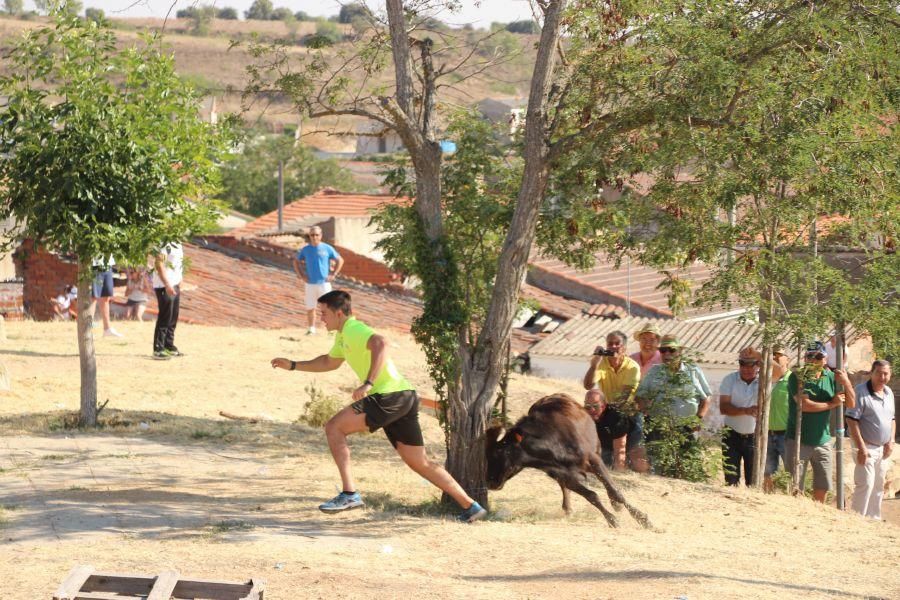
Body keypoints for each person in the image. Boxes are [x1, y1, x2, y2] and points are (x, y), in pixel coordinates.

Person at [270, 289, 487, 523]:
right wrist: (293, 365)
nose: (321, 318)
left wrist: (368, 382)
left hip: (389, 396)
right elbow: (328, 362)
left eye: (324, 313)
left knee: (334, 427)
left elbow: (381, 343)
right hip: (404, 396)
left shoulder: (354, 329)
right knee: (419, 462)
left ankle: (349, 494)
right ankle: (471, 506)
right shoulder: (343, 336)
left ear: (340, 313)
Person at [785, 341, 855, 503]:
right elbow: (804, 406)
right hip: (799, 440)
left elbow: (851, 404)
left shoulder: (832, 378)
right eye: (810, 356)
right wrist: (832, 404)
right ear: (804, 358)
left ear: (825, 359)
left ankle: (817, 512)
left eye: (818, 356)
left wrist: (846, 383)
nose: (813, 360)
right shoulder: (797, 377)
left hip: (823, 441)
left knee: (823, 484)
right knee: (795, 485)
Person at [634, 335, 711, 474]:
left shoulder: (693, 371)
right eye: (663, 350)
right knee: (659, 468)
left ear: (679, 351)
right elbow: (640, 396)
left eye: (671, 350)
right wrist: (646, 411)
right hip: (660, 428)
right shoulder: (654, 371)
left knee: (688, 466)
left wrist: (698, 418)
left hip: (687, 428)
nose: (667, 354)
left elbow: (706, 398)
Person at [582, 330, 646, 471]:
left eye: (617, 344)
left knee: (634, 452)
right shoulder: (602, 364)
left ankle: (625, 470)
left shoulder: (632, 367)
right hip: (608, 411)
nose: (613, 347)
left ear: (624, 348)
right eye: (610, 344)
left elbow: (624, 396)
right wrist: (595, 363)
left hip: (628, 413)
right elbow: (588, 385)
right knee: (606, 450)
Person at [846, 360, 894, 519]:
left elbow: (892, 419)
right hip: (865, 446)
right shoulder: (860, 391)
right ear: (871, 373)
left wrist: (891, 441)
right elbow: (851, 420)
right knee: (865, 483)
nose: (882, 377)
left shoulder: (888, 392)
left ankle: (873, 519)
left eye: (886, 373)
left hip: (883, 448)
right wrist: (861, 448)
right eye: (879, 373)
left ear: (890, 374)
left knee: (878, 485)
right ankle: (857, 519)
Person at [719, 347, 762, 486]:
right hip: (732, 435)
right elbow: (723, 407)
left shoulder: (765, 380)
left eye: (751, 364)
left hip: (755, 437)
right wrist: (745, 410)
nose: (746, 368)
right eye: (743, 364)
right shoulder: (729, 380)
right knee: (731, 480)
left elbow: (781, 372)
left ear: (758, 365)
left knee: (753, 482)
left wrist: (761, 356)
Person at [293, 226, 344, 335]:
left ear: (320, 236)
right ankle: (311, 329)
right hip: (310, 284)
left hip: (324, 284)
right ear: (309, 236)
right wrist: (301, 275)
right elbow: (296, 261)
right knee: (310, 306)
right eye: (312, 235)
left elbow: (340, 260)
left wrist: (333, 274)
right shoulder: (305, 249)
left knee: (329, 307)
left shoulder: (327, 248)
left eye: (316, 235)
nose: (314, 237)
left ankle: (332, 329)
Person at [584, 391, 646, 472]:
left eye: (596, 406)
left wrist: (619, 474)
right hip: (607, 438)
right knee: (603, 464)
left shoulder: (616, 418)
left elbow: (620, 450)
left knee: (638, 463)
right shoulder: (583, 416)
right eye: (588, 406)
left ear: (603, 406)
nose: (591, 410)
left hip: (632, 434)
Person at [764, 346, 792, 492]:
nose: (775, 358)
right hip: (768, 434)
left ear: (788, 359)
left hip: (786, 435)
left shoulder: (792, 381)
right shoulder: (766, 381)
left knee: (791, 473)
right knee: (768, 472)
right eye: (772, 355)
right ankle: (768, 499)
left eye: (779, 355)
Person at [151, 242, 184, 360]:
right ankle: (158, 348)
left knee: (173, 316)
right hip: (164, 285)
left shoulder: (178, 243)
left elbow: (179, 263)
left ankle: (168, 345)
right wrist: (167, 284)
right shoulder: (164, 243)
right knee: (165, 316)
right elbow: (159, 264)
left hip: (174, 283)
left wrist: (180, 278)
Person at [91, 255, 123, 337]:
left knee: (105, 297)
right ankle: (87, 330)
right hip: (94, 265)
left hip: (107, 264)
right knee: (93, 297)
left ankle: (107, 329)